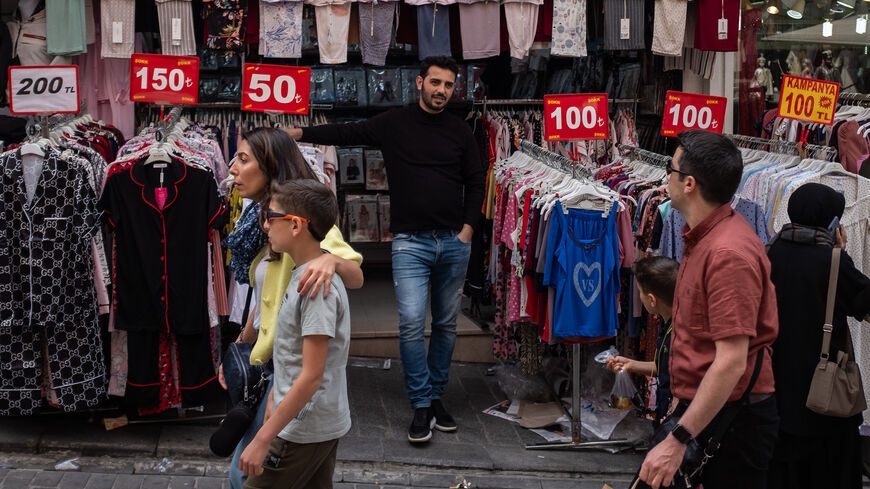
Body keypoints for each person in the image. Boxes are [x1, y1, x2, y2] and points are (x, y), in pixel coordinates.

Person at [285, 56, 485, 444]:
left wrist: (467, 231)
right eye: (436, 83)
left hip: (453, 243)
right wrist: (301, 133)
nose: (442, 91)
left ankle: (435, 396)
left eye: (448, 85)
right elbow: (349, 132)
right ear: (419, 82)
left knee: (445, 324)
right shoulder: (395, 123)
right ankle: (421, 404)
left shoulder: (460, 131)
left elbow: (476, 182)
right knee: (411, 323)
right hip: (410, 243)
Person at [221, 127, 363, 489]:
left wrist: (330, 261)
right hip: (273, 359)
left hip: (289, 371)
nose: (232, 168)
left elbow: (354, 273)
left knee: (246, 472)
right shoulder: (265, 220)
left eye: (243, 159)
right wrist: (242, 343)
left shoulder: (297, 218)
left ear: (269, 167)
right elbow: (266, 289)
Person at [638, 130, 779, 489]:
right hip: (707, 412)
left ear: (689, 184)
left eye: (670, 169)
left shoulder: (727, 253)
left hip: (732, 422)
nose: (664, 176)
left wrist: (678, 438)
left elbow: (731, 360)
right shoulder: (702, 237)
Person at [239, 179, 351, 489]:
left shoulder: (315, 288)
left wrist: (264, 438)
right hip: (311, 422)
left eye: (271, 217)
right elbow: (295, 355)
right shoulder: (304, 271)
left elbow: (312, 376)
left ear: (296, 226)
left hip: (302, 428)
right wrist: (277, 390)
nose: (265, 226)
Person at [765, 183, 870, 489]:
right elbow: (863, 302)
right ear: (831, 221)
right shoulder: (832, 261)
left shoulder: (770, 252)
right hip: (822, 395)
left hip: (775, 388)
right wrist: (842, 253)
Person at [607, 256, 679, 426]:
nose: (638, 296)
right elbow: (662, 367)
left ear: (652, 299)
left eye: (639, 291)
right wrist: (631, 365)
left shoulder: (679, 335)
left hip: (675, 418)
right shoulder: (668, 323)